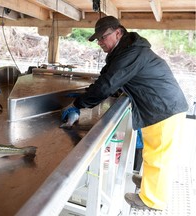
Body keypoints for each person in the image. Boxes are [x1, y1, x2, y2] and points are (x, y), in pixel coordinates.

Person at [61, 16, 188, 210]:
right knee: (153, 151)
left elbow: (108, 85)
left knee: (158, 156)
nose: (101, 43)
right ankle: (149, 182)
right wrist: (86, 94)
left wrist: (79, 104)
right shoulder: (126, 50)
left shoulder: (131, 53)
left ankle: (152, 200)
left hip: (163, 108)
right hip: (159, 106)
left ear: (118, 32)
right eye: (98, 40)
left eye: (103, 37)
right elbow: (108, 76)